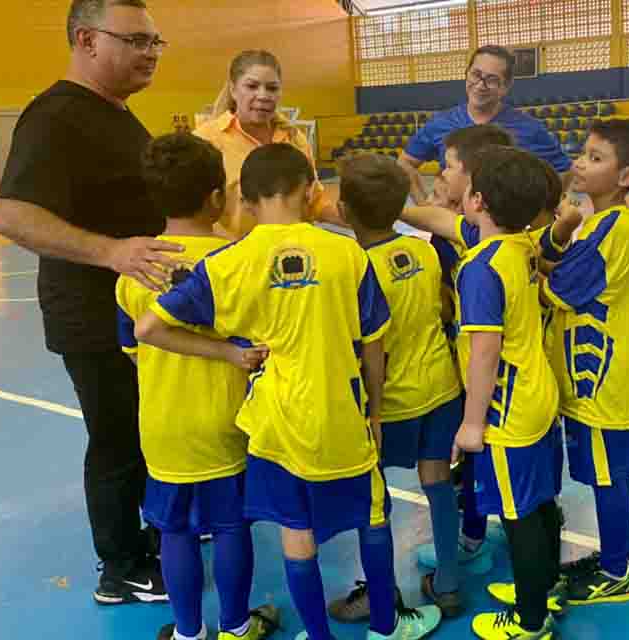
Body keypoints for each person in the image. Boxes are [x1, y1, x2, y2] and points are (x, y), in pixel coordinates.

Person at [135, 143, 442, 640]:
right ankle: (386, 628)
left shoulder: (229, 262)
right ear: (313, 190)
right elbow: (373, 345)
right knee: (373, 519)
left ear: (246, 202)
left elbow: (149, 327)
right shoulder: (347, 252)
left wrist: (228, 354)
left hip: (277, 422)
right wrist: (377, 415)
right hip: (343, 411)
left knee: (296, 532)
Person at [0, 0, 180, 604]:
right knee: (118, 438)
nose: (150, 52)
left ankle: (145, 539)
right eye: (136, 41)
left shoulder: (117, 114)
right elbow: (12, 214)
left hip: (134, 313)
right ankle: (120, 567)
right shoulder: (55, 117)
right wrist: (111, 253)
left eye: (156, 42)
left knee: (143, 433)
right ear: (86, 39)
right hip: (93, 316)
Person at [116, 133, 280, 640]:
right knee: (231, 526)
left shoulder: (134, 272)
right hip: (230, 418)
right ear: (217, 197)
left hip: (163, 424)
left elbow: (132, 349)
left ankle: (189, 632)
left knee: (175, 530)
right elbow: (260, 341)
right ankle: (235, 625)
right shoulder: (241, 260)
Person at [491, 119, 629, 613]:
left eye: (596, 157)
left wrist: (519, 273)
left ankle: (617, 570)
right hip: (590, 383)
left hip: (604, 382)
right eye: (583, 153)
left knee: (608, 477)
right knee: (602, 474)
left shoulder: (617, 229)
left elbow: (559, 287)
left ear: (626, 175)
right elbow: (557, 260)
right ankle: (618, 555)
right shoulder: (599, 222)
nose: (581, 163)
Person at [327, 154, 465, 622]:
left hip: (393, 404)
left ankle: (380, 592)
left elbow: (368, 348)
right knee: (438, 483)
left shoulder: (356, 269)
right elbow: (444, 312)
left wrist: (371, 412)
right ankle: (448, 583)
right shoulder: (426, 251)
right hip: (442, 390)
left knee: (374, 499)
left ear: (344, 212)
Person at [452, 146, 562, 640]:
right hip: (541, 394)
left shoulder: (480, 267)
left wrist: (473, 424)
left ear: (476, 200)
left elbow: (484, 352)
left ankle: (530, 620)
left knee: (517, 515)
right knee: (541, 503)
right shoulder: (523, 249)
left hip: (508, 409)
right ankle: (543, 587)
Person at [194, 49, 343, 239]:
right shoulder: (205, 140)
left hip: (294, 256)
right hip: (237, 258)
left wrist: (354, 220)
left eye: (272, 88)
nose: (263, 95)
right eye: (252, 86)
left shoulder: (294, 139)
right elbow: (193, 214)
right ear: (233, 89)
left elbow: (314, 201)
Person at [397, 45, 571, 206]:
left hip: (504, 234)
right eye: (476, 74)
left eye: (492, 79)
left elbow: (565, 171)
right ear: (466, 74)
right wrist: (423, 205)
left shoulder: (530, 129)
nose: (481, 85)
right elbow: (405, 162)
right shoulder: (440, 124)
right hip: (450, 233)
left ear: (505, 87)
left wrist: (539, 211)